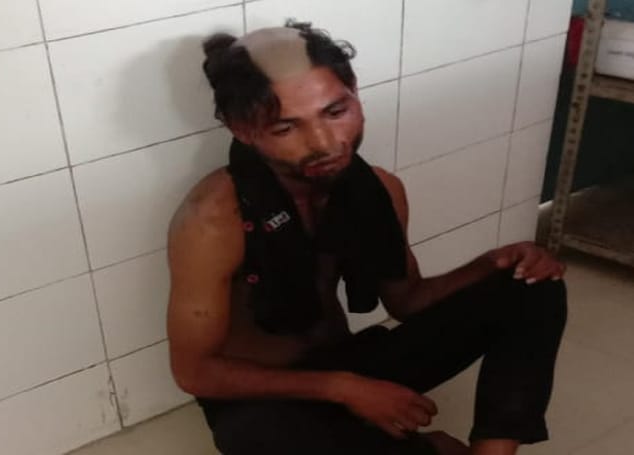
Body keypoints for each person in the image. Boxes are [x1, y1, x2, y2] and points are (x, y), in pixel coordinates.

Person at [166, 20, 567, 455]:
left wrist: (491, 265)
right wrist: (344, 389)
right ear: (242, 129)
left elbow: (407, 300)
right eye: (286, 128)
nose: (324, 143)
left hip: (349, 362)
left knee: (532, 286)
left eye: (335, 112)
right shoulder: (212, 219)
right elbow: (195, 373)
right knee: (256, 436)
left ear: (354, 92)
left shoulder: (378, 189)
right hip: (267, 398)